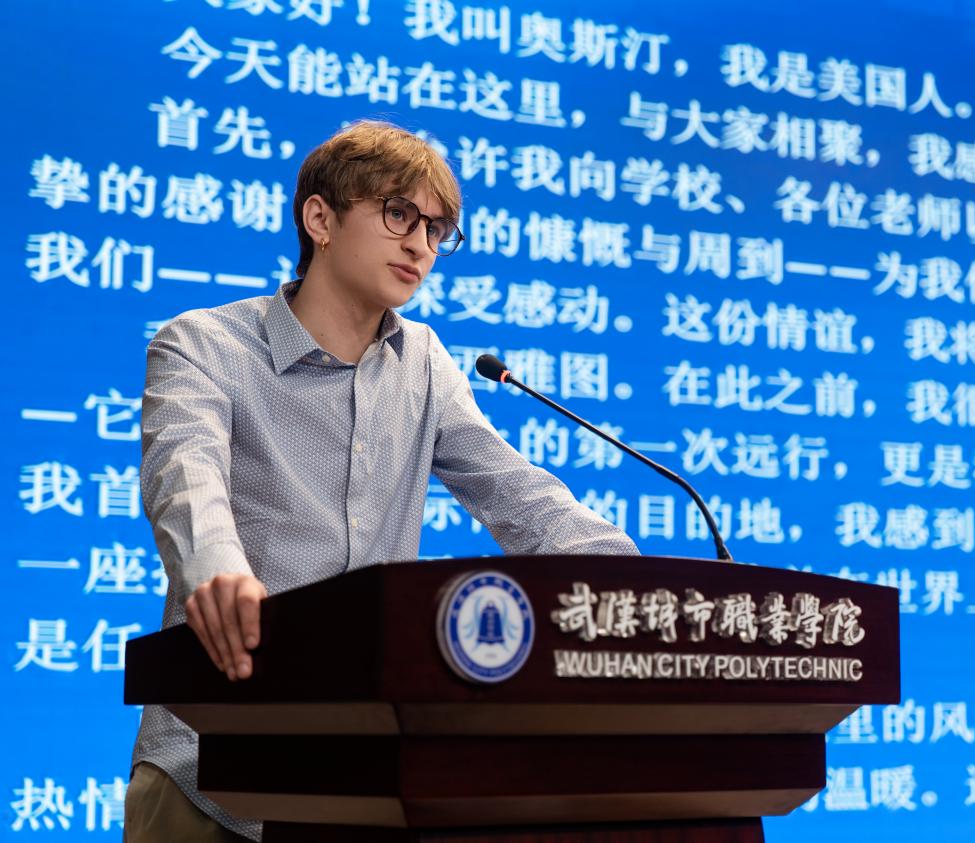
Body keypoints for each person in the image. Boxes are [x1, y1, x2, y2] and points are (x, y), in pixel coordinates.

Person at [123, 119, 638, 843]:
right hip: (209, 769)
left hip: (361, 781)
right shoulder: (204, 344)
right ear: (320, 219)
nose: (421, 245)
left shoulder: (423, 360)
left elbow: (520, 496)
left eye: (437, 229)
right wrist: (219, 570)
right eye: (399, 214)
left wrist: (645, 590)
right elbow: (186, 480)